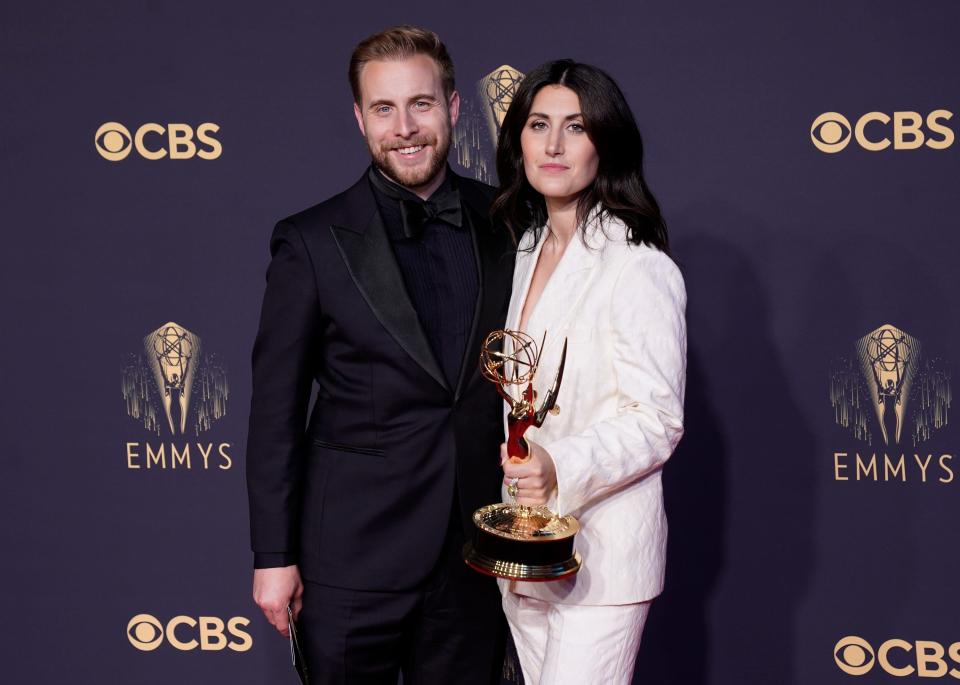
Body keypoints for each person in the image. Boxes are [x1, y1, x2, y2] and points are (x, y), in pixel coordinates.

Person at [245, 25, 512, 684]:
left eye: (420, 104)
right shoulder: (309, 242)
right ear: (360, 119)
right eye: (384, 109)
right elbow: (275, 412)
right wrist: (273, 555)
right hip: (350, 557)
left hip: (475, 553)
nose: (405, 127)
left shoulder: (507, 221)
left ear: (452, 108)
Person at [490, 59, 687, 685]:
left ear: (606, 142)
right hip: (525, 547)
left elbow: (656, 420)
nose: (552, 145)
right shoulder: (524, 248)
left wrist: (560, 465)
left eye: (575, 127)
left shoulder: (637, 265)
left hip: (601, 556)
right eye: (538, 124)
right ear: (517, 138)